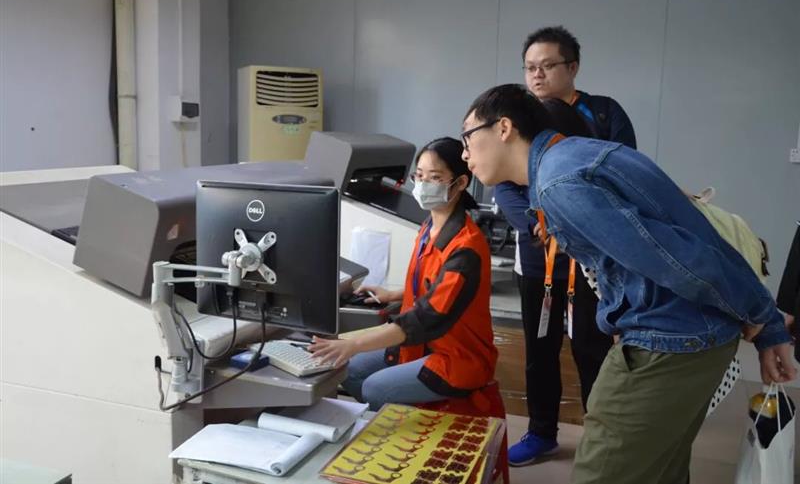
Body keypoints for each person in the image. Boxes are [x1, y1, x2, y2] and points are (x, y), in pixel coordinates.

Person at [460, 84, 796, 484]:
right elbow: (700, 237)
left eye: (467, 138)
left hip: (667, 342)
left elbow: (677, 259)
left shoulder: (558, 184)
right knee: (662, 469)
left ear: (503, 128)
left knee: (604, 471)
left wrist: (759, 316)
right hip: (691, 335)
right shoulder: (585, 155)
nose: (464, 154)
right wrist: (765, 320)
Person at [310, 137, 497, 412]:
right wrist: (395, 295)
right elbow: (435, 288)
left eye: (434, 177)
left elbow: (427, 317)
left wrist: (355, 343)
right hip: (423, 343)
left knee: (375, 388)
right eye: (419, 176)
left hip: (456, 356)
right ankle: (397, 418)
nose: (423, 185)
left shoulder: (465, 248)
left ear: (460, 183)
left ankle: (402, 430)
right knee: (349, 370)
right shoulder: (430, 226)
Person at [494, 98, 614, 466]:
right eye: (531, 69)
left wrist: (566, 225)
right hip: (536, 269)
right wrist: (538, 224)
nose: (538, 74)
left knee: (591, 352)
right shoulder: (517, 152)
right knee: (540, 353)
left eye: (545, 67)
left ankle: (602, 440)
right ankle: (541, 432)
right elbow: (504, 190)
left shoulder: (581, 140)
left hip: (585, 268)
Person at [522, 25, 636, 147]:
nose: (537, 74)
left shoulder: (604, 111)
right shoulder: (519, 117)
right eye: (531, 68)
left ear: (572, 68)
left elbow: (624, 158)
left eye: (548, 66)